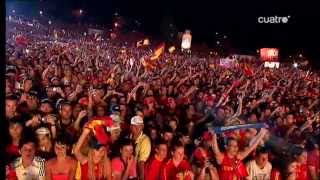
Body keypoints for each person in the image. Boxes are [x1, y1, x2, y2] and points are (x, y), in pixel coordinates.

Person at [130, 115, 151, 180]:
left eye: (139, 126)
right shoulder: (127, 137)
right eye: (134, 126)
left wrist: (141, 177)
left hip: (135, 174)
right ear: (130, 127)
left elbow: (141, 161)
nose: (137, 128)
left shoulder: (145, 140)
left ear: (143, 127)